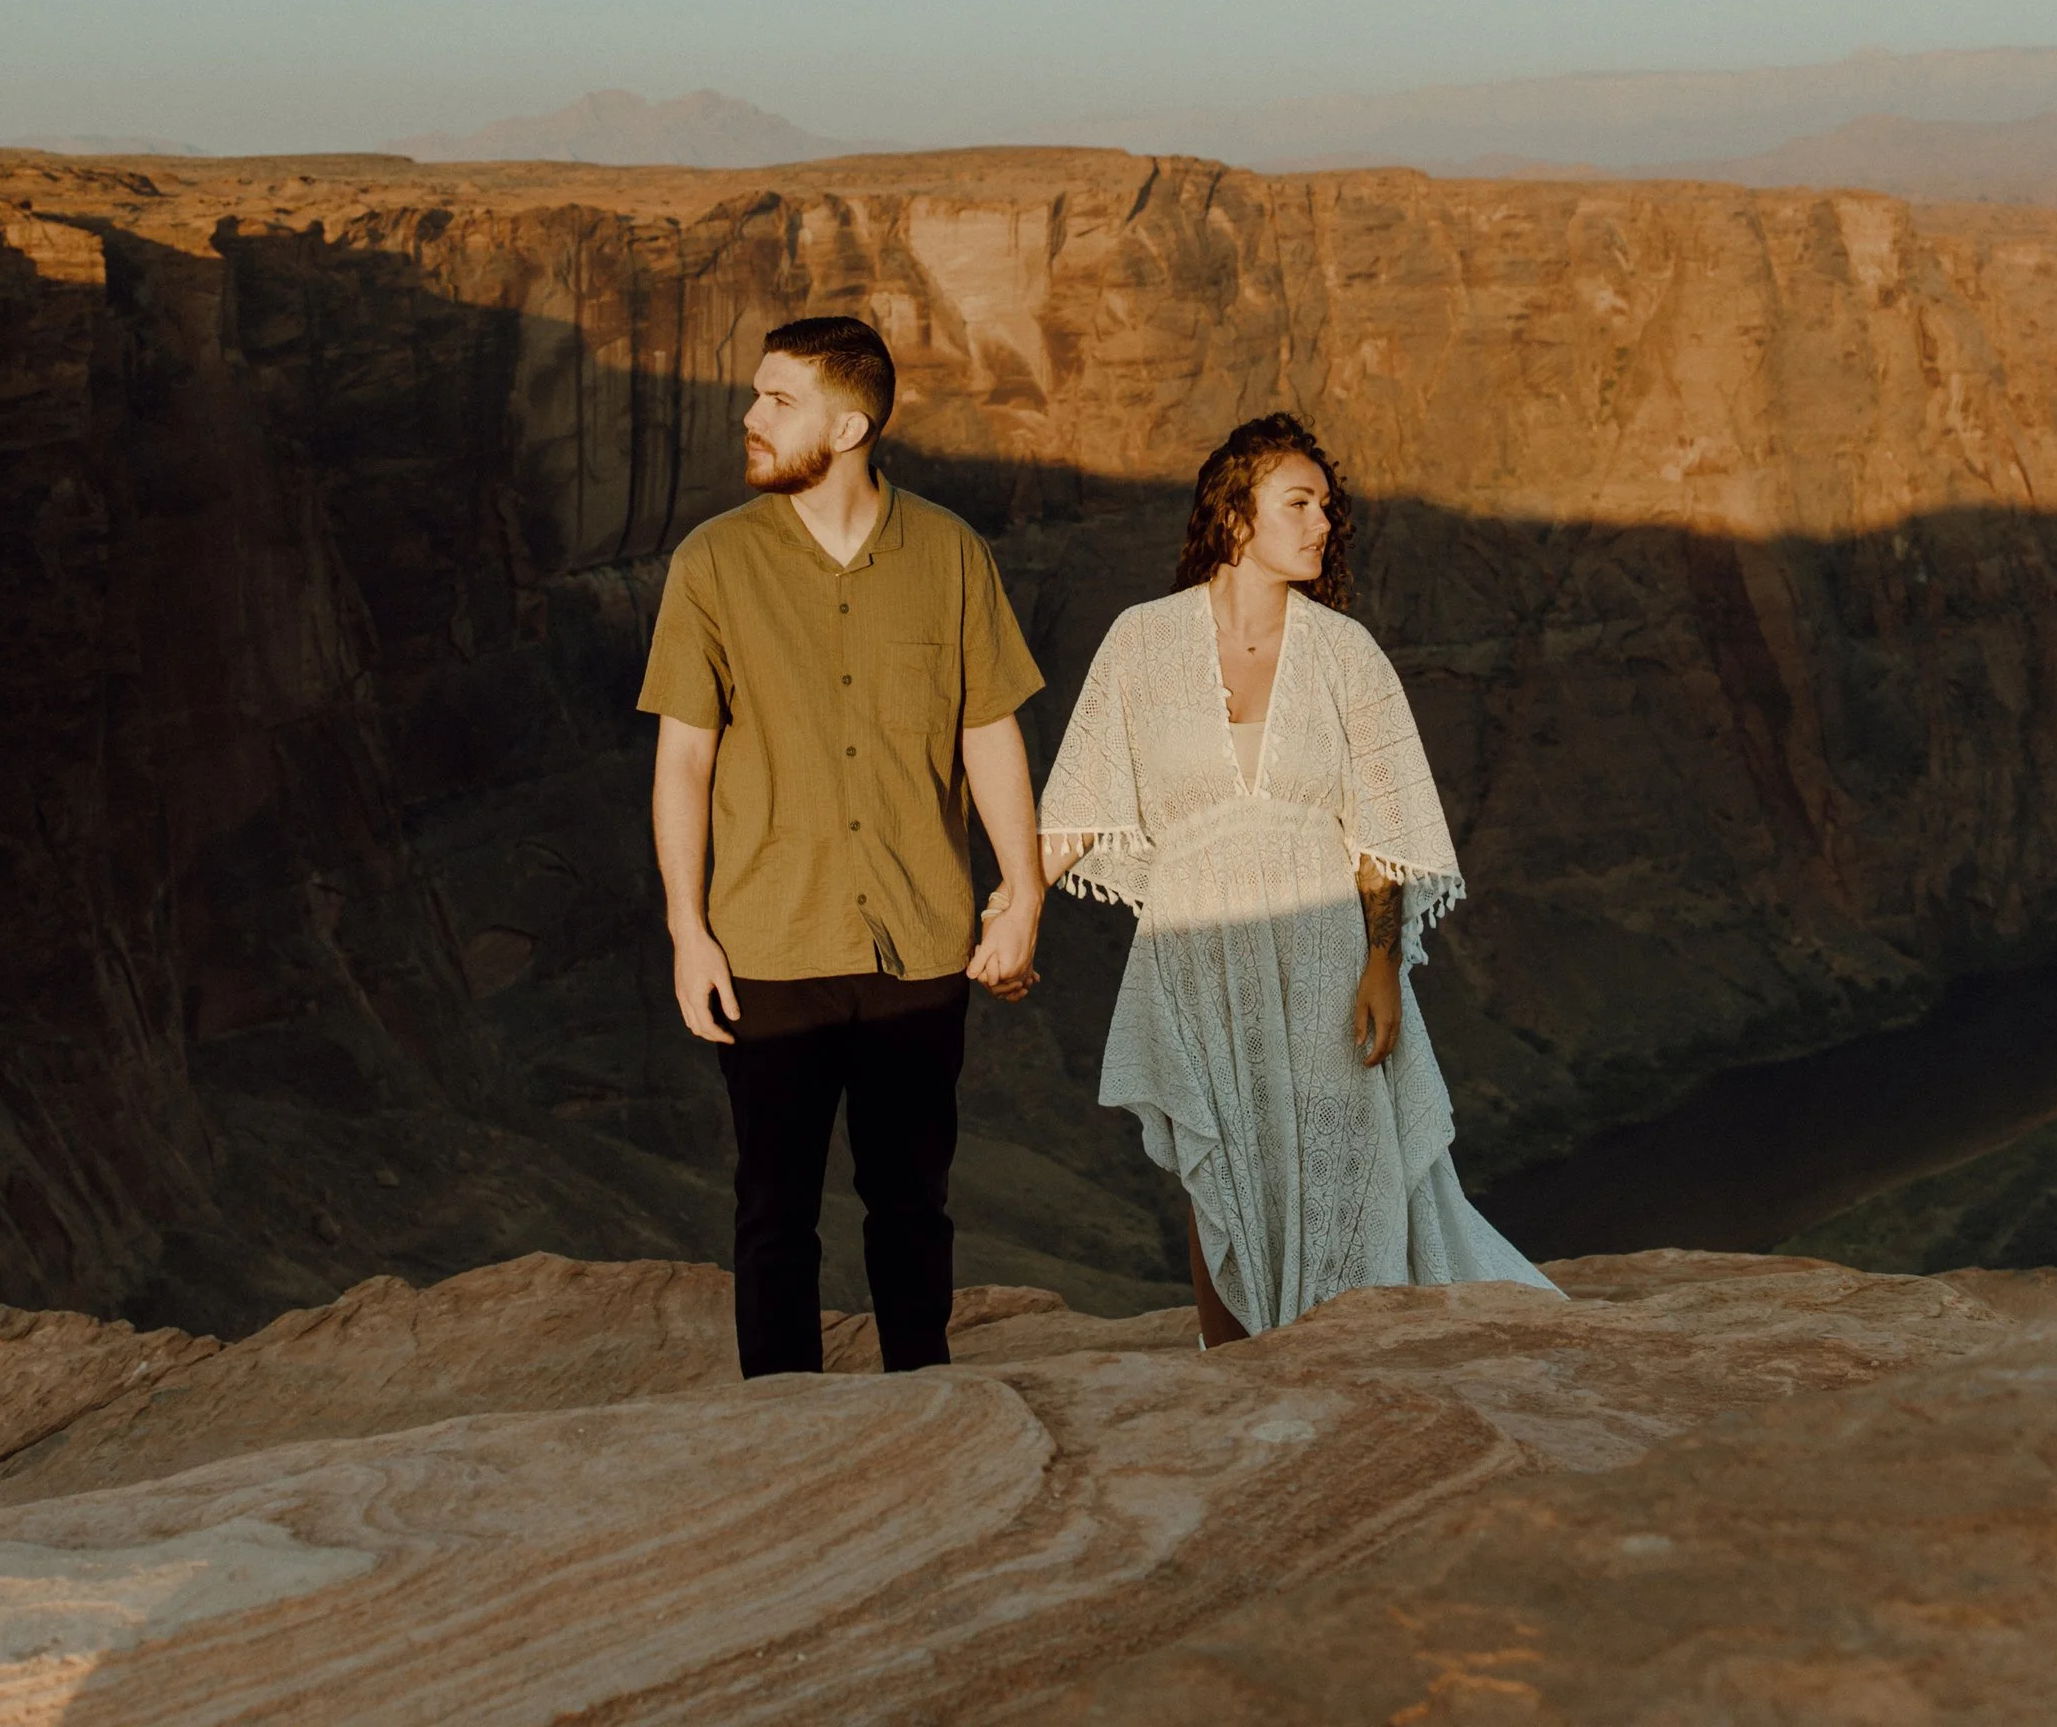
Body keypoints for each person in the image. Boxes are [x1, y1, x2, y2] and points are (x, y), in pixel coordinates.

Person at [1036, 413, 1557, 1346]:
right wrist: (1011, 905)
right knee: (1222, 1161)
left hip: (1323, 950)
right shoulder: (1140, 643)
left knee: (1343, 1155)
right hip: (1194, 948)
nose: (1325, 524)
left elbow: (1381, 832)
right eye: (1301, 503)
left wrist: (1381, 966)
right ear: (1235, 518)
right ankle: (1231, 1367)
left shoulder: (1344, 653)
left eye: (1327, 506)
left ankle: (1356, 1358)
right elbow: (1075, 809)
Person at [638, 315, 1046, 1378]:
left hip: (918, 939)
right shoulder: (714, 563)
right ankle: (784, 1427)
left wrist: (1024, 891)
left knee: (913, 1202)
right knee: (773, 1209)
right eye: (757, 395)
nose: (749, 416)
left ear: (850, 422)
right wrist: (689, 931)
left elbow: (987, 727)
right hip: (770, 940)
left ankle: (924, 1406)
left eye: (778, 399)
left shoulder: (951, 553)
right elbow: (683, 759)